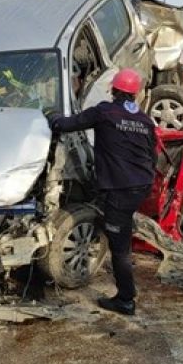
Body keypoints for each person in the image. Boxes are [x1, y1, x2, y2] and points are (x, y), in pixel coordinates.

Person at [47, 68, 157, 316]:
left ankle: (126, 300)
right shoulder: (145, 120)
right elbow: (153, 156)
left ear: (113, 90)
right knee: (120, 228)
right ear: (135, 94)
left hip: (121, 188)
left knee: (120, 248)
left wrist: (51, 117)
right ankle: (117, 233)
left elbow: (67, 124)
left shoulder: (105, 112)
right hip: (141, 186)